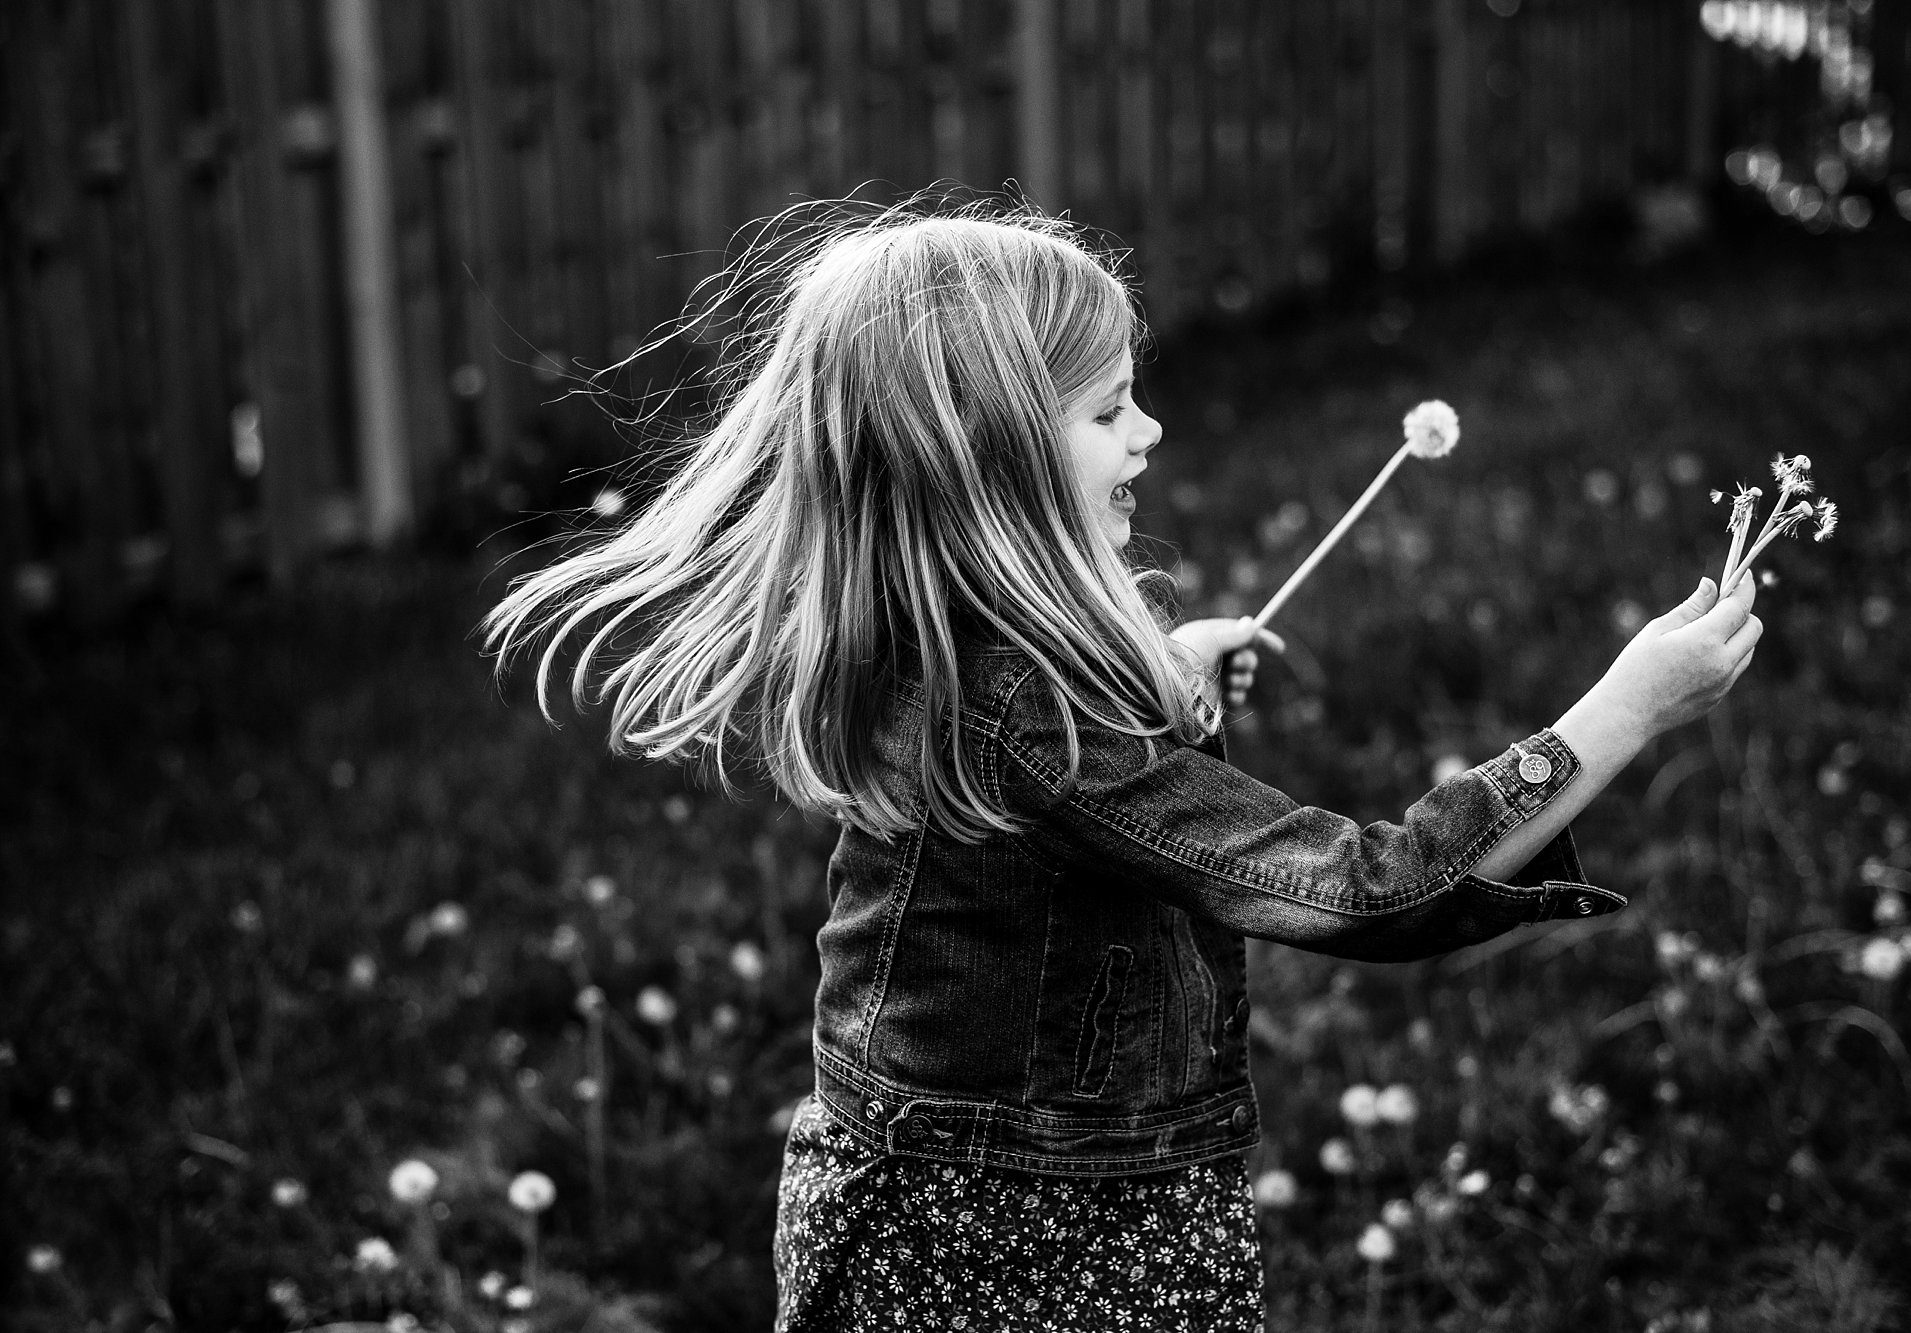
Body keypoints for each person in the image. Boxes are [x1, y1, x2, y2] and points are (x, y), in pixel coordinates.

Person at [482, 196, 1761, 1331]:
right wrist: (1623, 709)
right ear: (984, 461)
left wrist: (1162, 671)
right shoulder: (1033, 716)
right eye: (1105, 410)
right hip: (1017, 1249)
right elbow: (1369, 890)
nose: (1147, 432)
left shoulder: (950, 652)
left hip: (963, 1205)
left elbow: (1060, 787)